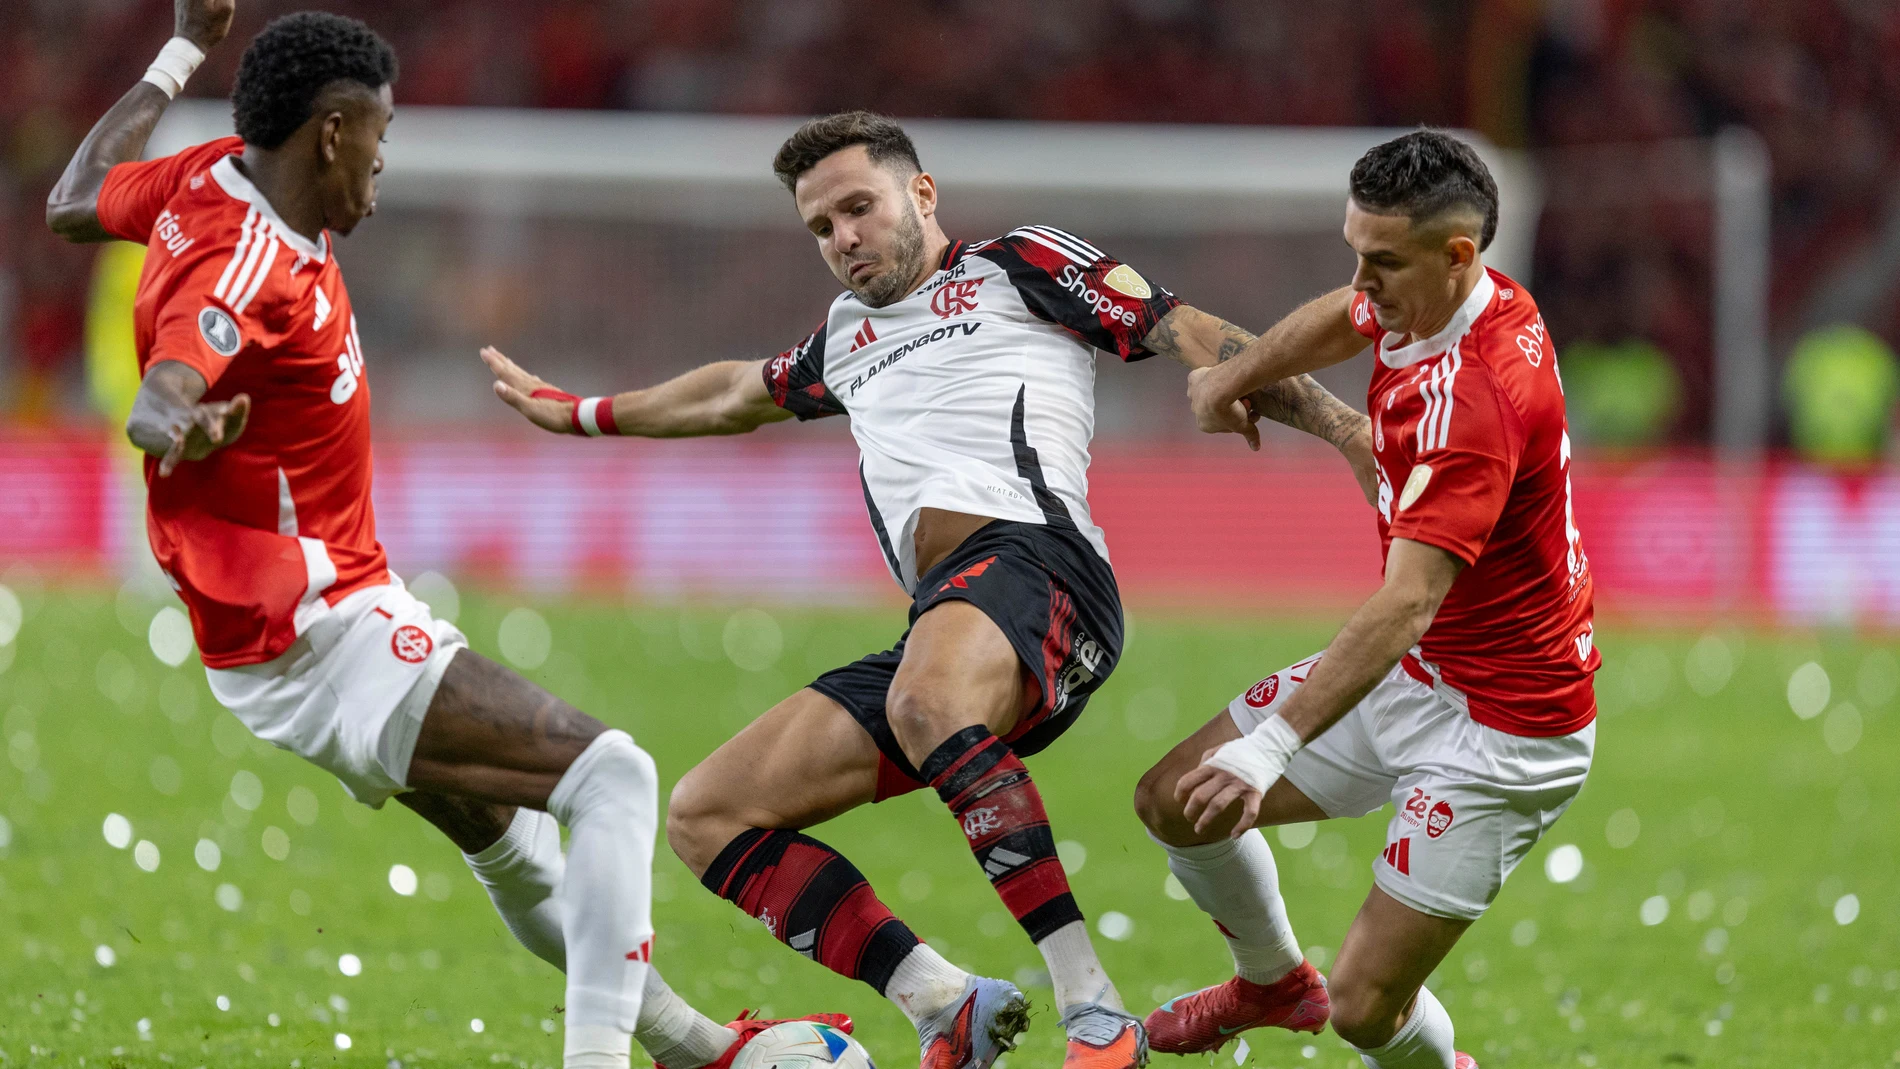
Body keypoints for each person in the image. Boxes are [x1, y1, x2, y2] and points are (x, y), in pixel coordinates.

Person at [482, 111, 1375, 1069]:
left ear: (921, 192)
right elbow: (731, 392)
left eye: (858, 207)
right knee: (708, 813)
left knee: (925, 696)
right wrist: (582, 414)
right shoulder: (843, 338)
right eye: (821, 227)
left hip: (1043, 568)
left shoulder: (1017, 265)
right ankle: (942, 999)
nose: (843, 238)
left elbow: (1189, 330)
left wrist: (1350, 434)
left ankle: (1094, 1012)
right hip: (944, 622)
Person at [45, 6, 846, 1068]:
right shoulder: (245, 263)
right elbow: (161, 395)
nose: (385, 159)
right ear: (332, 132)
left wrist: (179, 49)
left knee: (515, 843)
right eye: (380, 131)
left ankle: (701, 1050)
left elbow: (72, 200)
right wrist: (180, 420)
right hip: (317, 624)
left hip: (308, 614)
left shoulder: (209, 176)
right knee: (612, 775)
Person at [1132, 131, 1599, 1069]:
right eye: (1356, 250)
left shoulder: (1478, 402)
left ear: (1457, 254)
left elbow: (1406, 604)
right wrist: (1233, 376)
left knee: (1365, 1010)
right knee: (1175, 801)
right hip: (1426, 669)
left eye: (1381, 261)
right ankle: (1270, 980)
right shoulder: (1452, 296)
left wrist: (1270, 746)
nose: (1361, 280)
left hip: (1505, 728)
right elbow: (1347, 317)